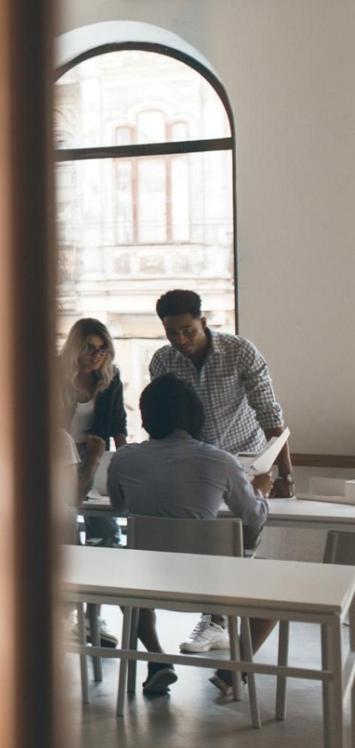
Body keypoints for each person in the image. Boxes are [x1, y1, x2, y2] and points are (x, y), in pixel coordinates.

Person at [107, 374, 271, 699]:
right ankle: (233, 669)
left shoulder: (124, 458)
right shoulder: (221, 461)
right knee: (277, 591)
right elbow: (254, 517)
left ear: (147, 416)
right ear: (197, 416)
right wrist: (261, 491)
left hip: (146, 581)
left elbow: (118, 505)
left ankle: (156, 660)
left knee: (127, 582)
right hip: (211, 587)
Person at [149, 288, 291, 654]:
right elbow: (163, 417)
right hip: (194, 463)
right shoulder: (163, 361)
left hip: (245, 459)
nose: (180, 340)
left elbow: (270, 416)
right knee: (207, 539)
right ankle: (215, 618)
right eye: (171, 333)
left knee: (243, 533)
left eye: (187, 331)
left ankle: (220, 616)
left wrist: (287, 475)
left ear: (203, 322)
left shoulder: (239, 351)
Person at [58, 318, 128, 547]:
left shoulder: (110, 376)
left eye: (102, 348)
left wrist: (125, 460)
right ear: (76, 347)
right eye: (90, 348)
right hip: (61, 453)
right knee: (65, 513)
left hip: (96, 449)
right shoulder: (56, 372)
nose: (97, 354)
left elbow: (118, 423)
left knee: (102, 523)